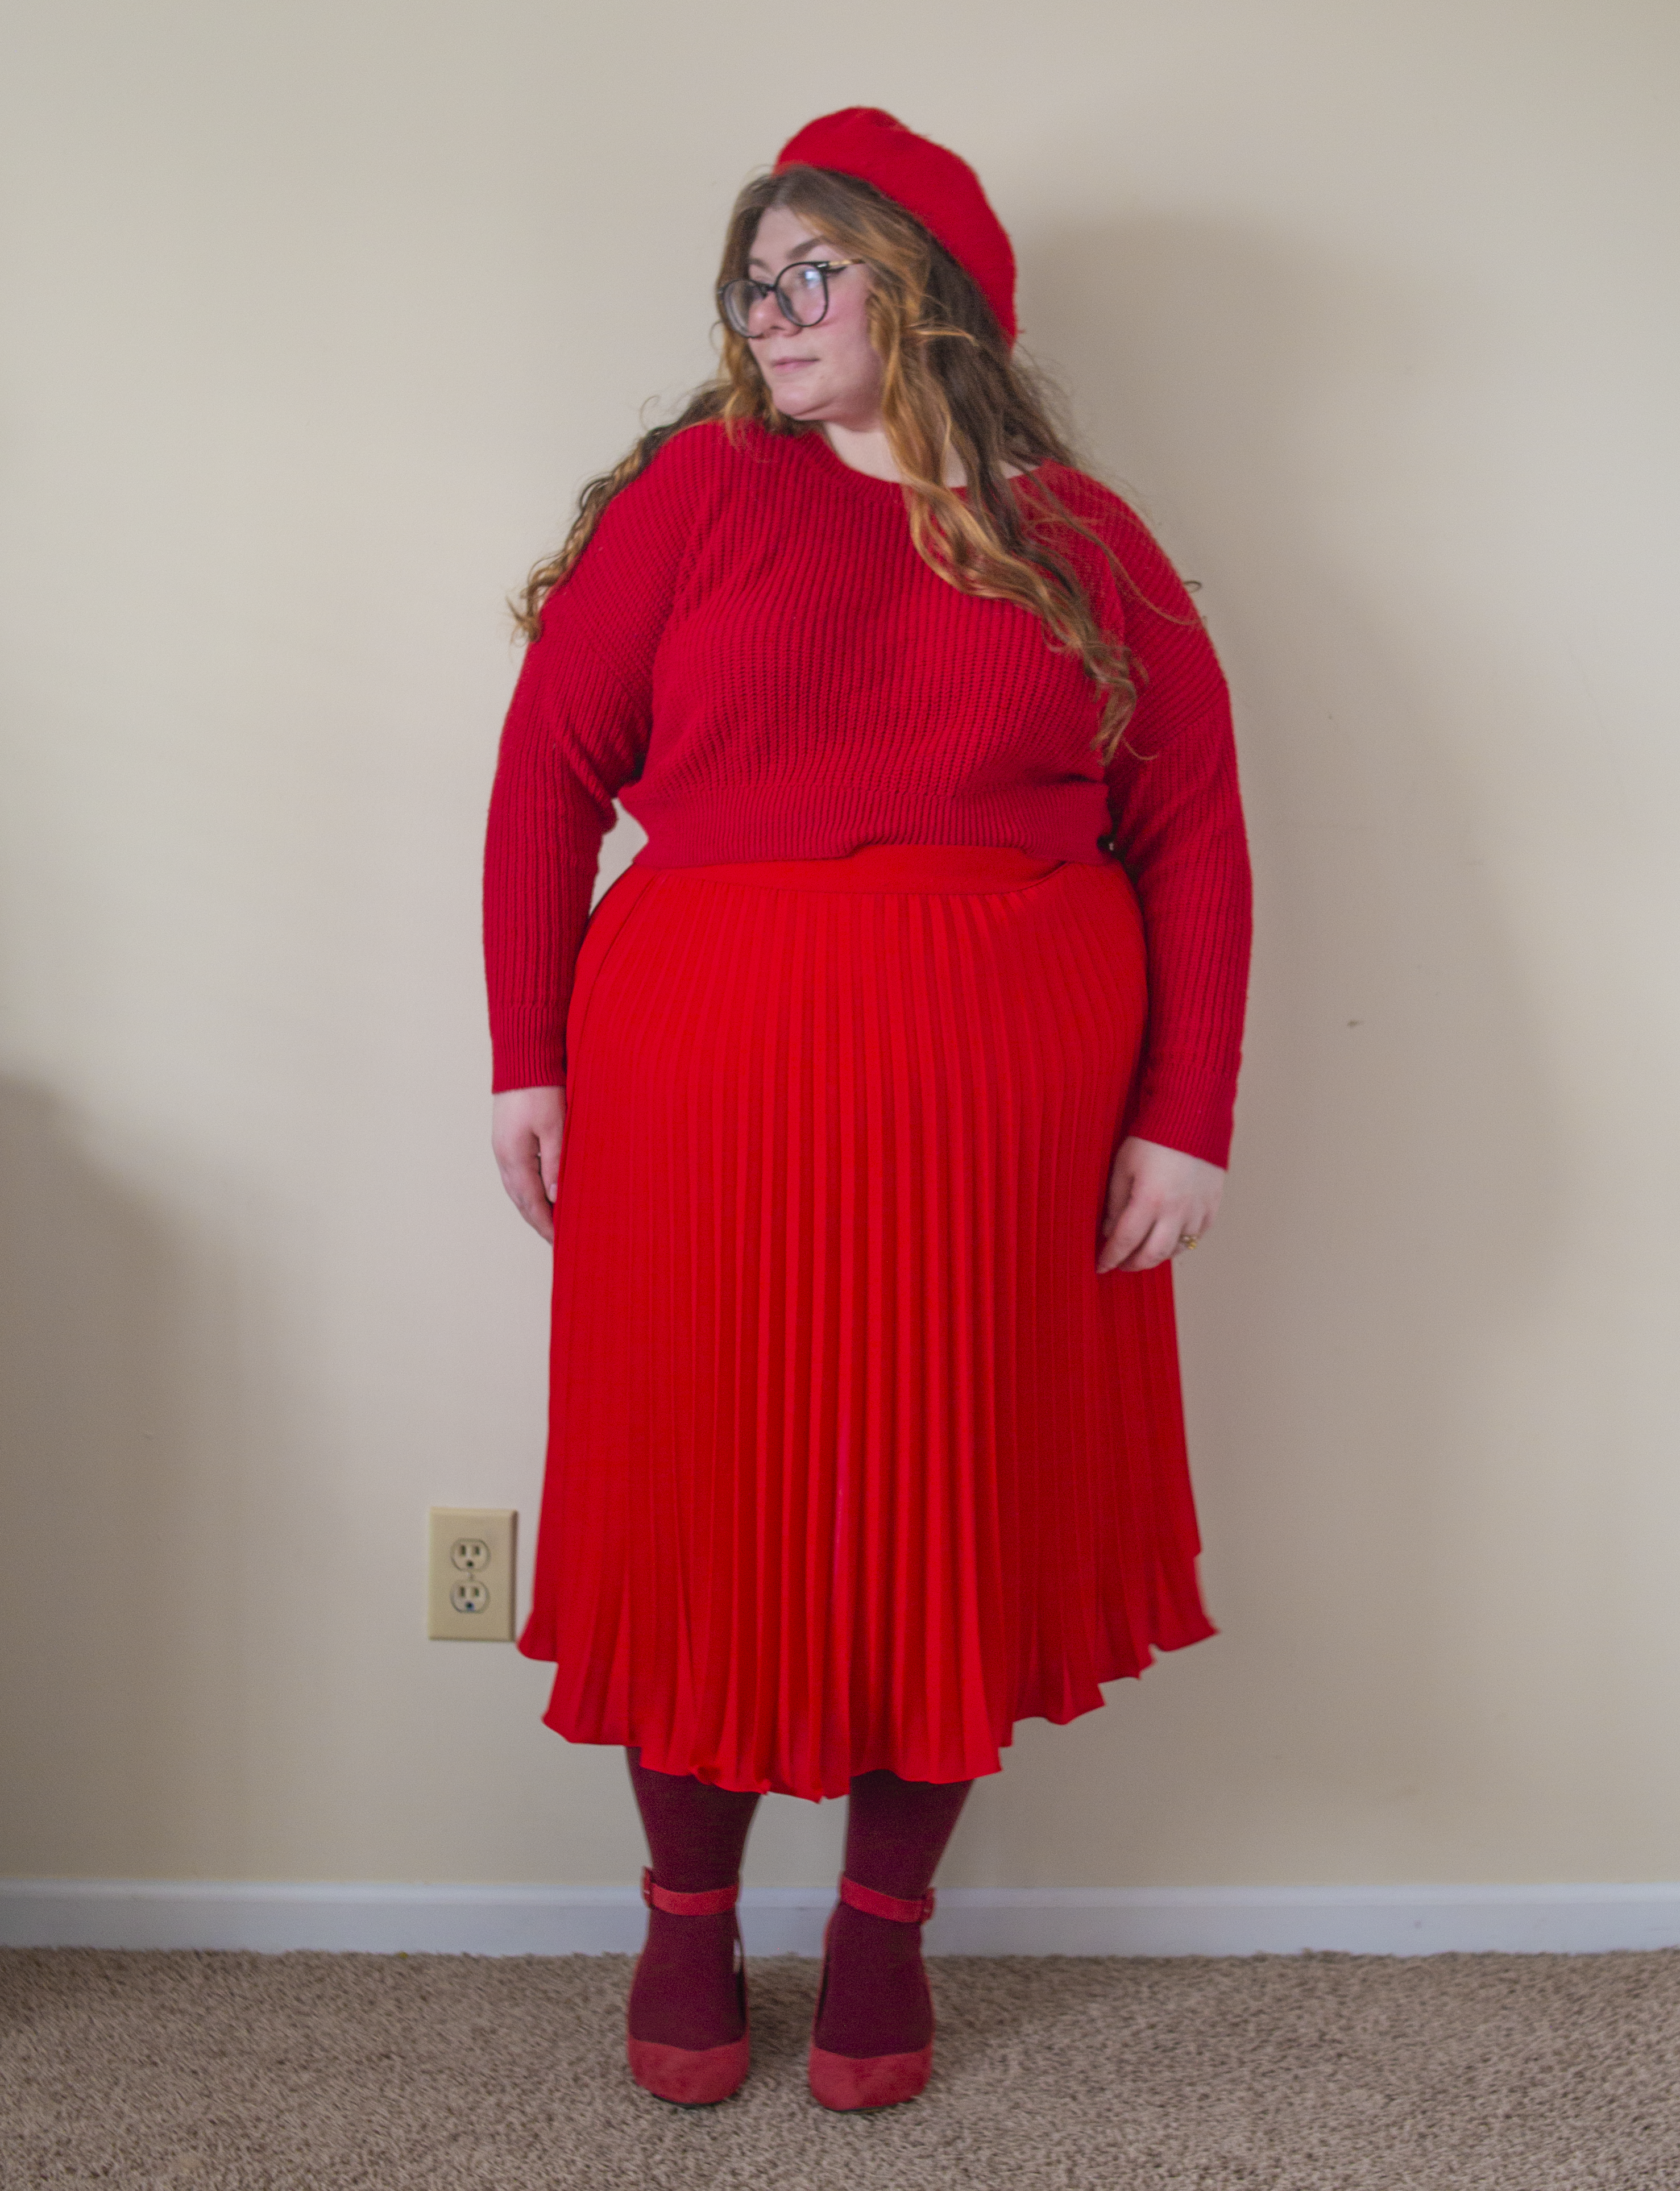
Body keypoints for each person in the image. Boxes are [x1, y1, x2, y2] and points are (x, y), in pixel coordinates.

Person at [482, 106, 1252, 2112]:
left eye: (810, 269)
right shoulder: (696, 495)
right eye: (754, 276)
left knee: (946, 1501)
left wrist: (1189, 1108)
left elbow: (1193, 829)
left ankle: (882, 1936)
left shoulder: (1081, 535)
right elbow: (546, 770)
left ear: (930, 294)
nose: (770, 308)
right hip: (701, 1091)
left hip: (1000, 1124)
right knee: (702, 1493)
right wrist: (525, 1053)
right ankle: (682, 1911)